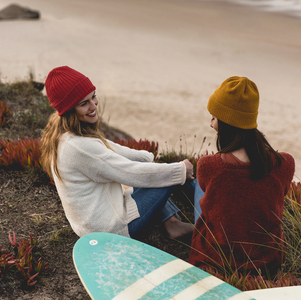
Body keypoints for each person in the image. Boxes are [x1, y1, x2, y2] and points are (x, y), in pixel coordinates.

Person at [40, 66, 194, 240]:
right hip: (112, 229)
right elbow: (130, 173)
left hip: (95, 222)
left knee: (157, 171)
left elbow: (109, 148)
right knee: (170, 176)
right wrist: (181, 170)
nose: (93, 106)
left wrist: (146, 158)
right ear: (68, 110)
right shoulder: (79, 148)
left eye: (93, 96)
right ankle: (212, 223)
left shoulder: (64, 133)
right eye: (84, 104)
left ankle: (172, 223)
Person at [188, 76, 295, 277]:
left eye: (214, 117)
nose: (211, 124)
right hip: (266, 265)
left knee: (197, 188)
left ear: (227, 122)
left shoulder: (208, 166)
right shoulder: (284, 164)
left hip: (214, 262)